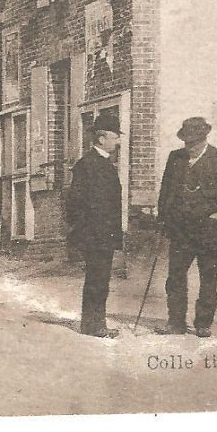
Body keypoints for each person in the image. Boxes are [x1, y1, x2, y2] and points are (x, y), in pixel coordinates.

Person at [156, 117, 217, 338]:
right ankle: (175, 322)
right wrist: (164, 219)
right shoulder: (175, 158)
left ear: (204, 140)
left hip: (210, 231)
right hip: (181, 231)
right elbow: (165, 191)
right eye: (186, 142)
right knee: (175, 277)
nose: (189, 148)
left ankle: (203, 323)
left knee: (208, 277)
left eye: (193, 143)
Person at [66, 111, 124, 339]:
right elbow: (74, 202)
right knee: (96, 279)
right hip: (94, 234)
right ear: (101, 139)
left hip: (104, 234)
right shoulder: (87, 165)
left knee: (100, 279)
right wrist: (84, 230)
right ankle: (92, 325)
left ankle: (95, 323)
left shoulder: (104, 163)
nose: (118, 141)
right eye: (115, 136)